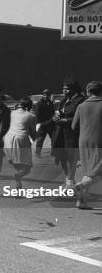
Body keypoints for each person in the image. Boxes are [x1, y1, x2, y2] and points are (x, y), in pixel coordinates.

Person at [71, 81, 102, 209]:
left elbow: (73, 126)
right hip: (99, 140)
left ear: (88, 92)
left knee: (88, 169)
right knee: (98, 171)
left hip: (83, 140)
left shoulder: (81, 106)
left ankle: (81, 201)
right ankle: (81, 185)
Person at [51, 79, 86, 189]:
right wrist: (56, 116)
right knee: (61, 157)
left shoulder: (81, 101)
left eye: (67, 89)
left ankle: (70, 182)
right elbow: (58, 112)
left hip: (72, 135)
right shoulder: (63, 100)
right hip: (59, 133)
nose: (64, 91)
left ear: (75, 89)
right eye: (63, 88)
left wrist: (64, 120)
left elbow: (79, 118)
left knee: (72, 159)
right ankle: (69, 179)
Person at [3, 98, 37, 190]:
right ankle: (18, 175)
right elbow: (33, 132)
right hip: (21, 139)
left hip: (8, 139)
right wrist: (35, 138)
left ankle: (18, 188)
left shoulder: (12, 113)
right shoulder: (31, 116)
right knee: (27, 166)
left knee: (17, 165)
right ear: (29, 106)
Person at [34, 89, 55, 156]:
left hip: (50, 124)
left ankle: (53, 153)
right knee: (40, 140)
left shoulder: (51, 103)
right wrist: (38, 124)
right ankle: (37, 153)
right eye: (44, 94)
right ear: (43, 95)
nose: (46, 96)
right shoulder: (39, 104)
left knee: (54, 139)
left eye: (47, 94)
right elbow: (37, 114)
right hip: (42, 124)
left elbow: (52, 112)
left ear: (49, 95)